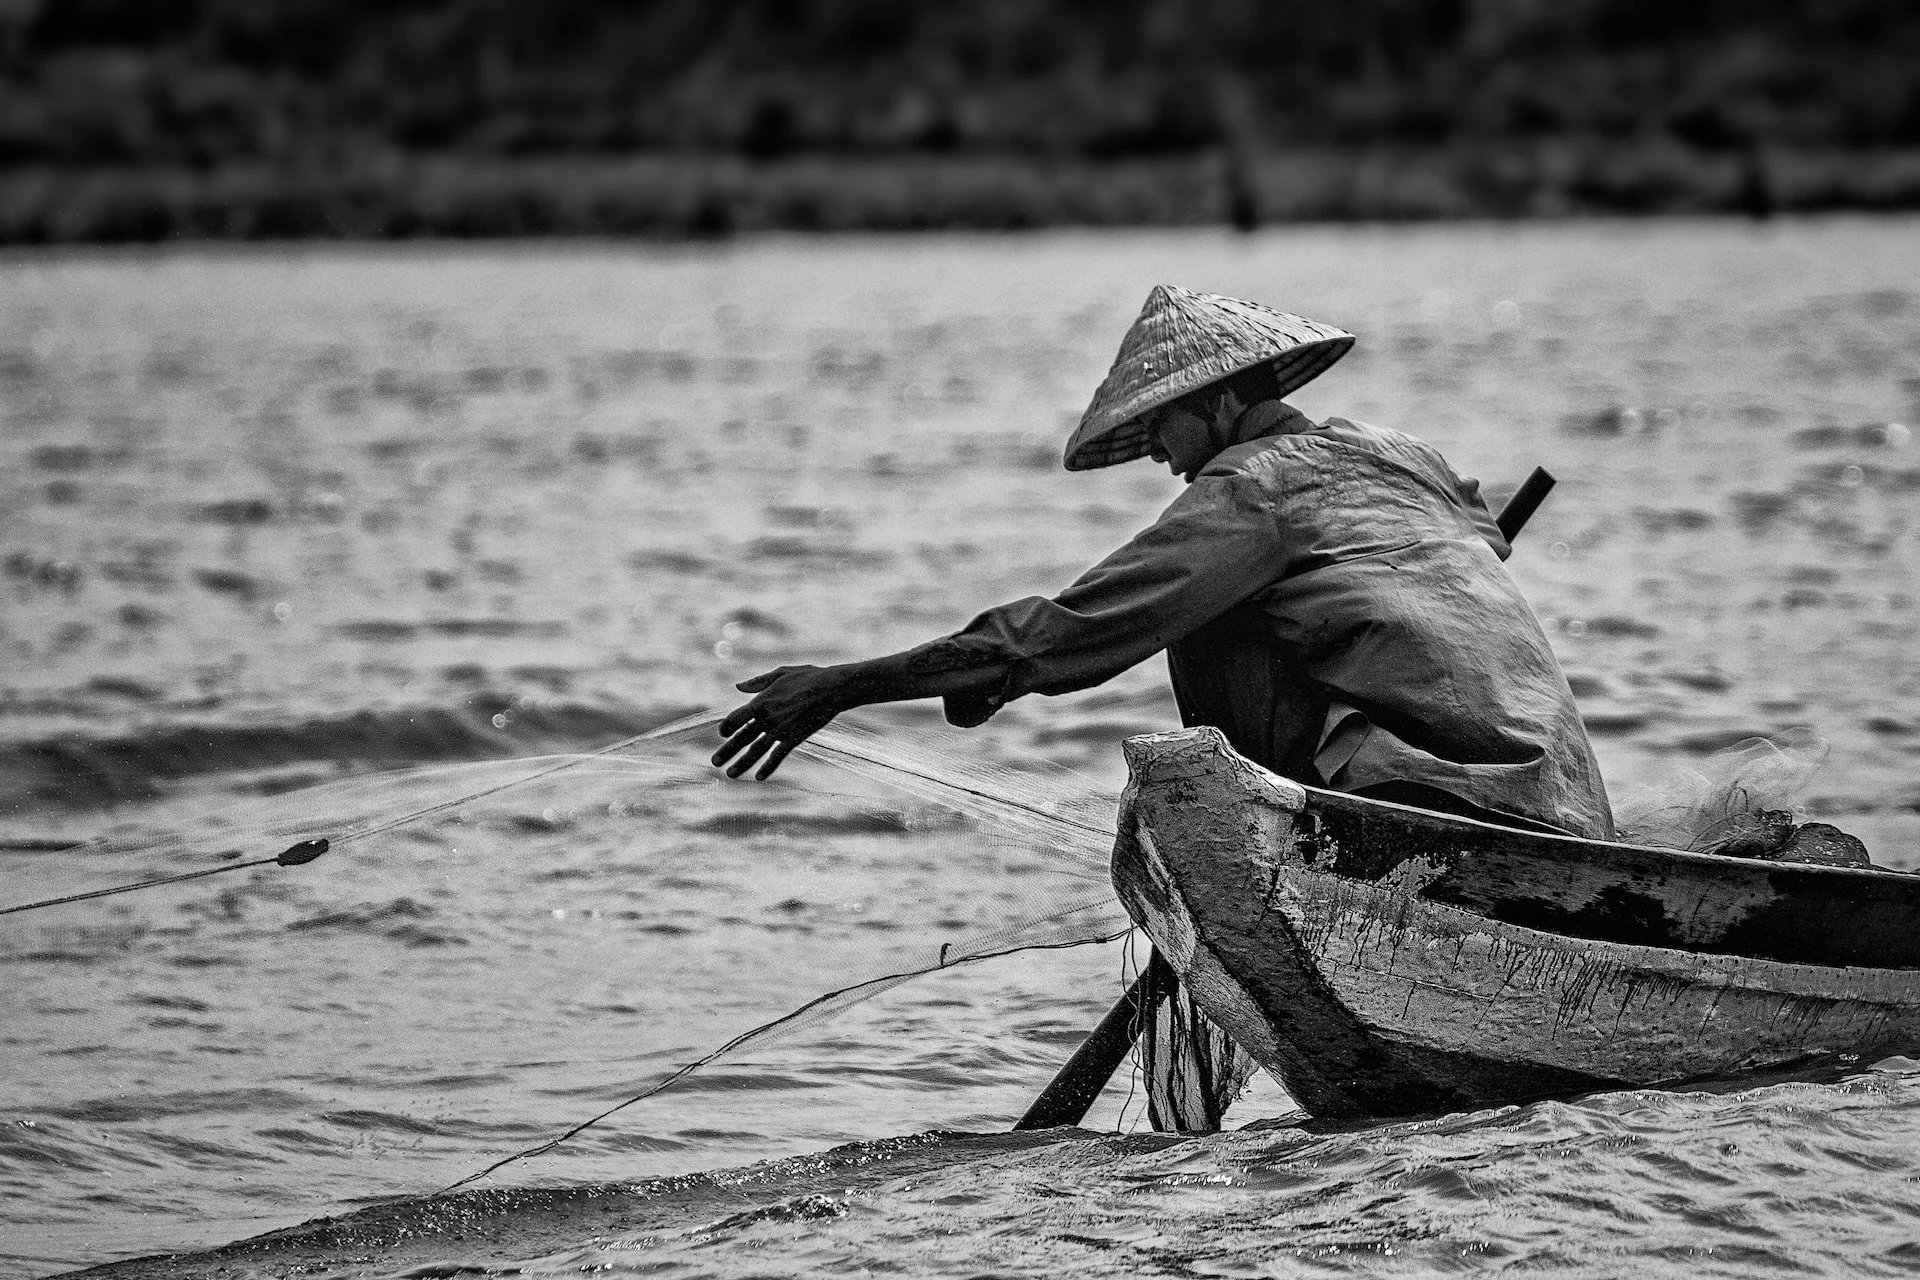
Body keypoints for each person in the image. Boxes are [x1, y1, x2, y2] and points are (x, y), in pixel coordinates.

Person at [713, 284, 1612, 842]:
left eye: (1162, 427)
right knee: (1242, 606)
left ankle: (1293, 834)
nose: (1158, 455)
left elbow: (1069, 633)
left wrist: (839, 686)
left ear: (1220, 402)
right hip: (1567, 802)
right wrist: (1004, 671)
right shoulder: (1405, 453)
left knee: (1209, 611)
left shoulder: (1247, 495)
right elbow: (1474, 550)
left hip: (1440, 805)